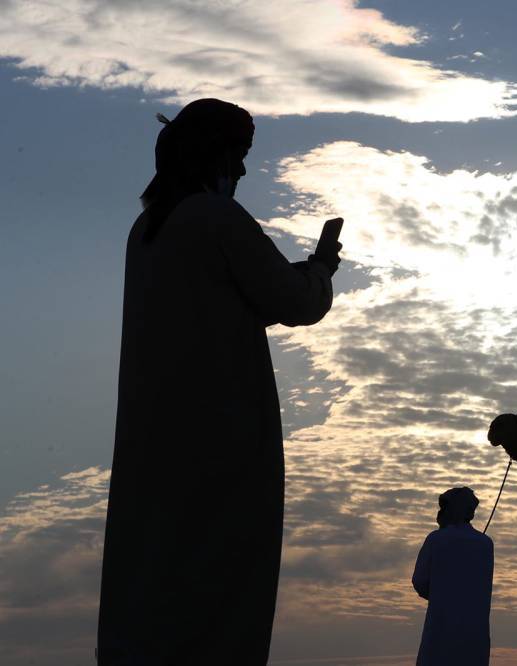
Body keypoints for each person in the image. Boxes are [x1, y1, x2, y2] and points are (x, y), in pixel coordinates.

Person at [97, 98, 345, 665]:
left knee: (156, 577)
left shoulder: (147, 230)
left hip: (156, 444)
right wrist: (322, 266)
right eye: (241, 156)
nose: (244, 171)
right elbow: (290, 299)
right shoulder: (214, 218)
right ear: (219, 155)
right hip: (218, 440)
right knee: (220, 586)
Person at [412, 487, 494, 666]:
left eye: (444, 507)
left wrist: (440, 595)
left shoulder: (435, 539)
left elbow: (420, 581)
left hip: (440, 631)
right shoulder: (486, 544)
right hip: (475, 637)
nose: (440, 512)